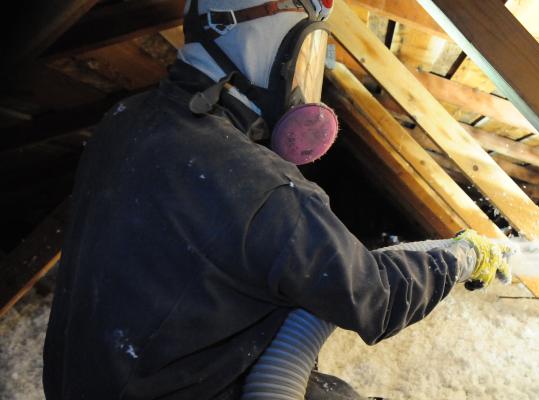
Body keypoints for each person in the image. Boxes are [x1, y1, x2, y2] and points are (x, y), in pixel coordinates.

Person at [42, 0, 512, 399]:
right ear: (264, 45)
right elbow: (376, 296)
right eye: (306, 52)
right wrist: (464, 255)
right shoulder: (259, 183)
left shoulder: (126, 118)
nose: (305, 82)